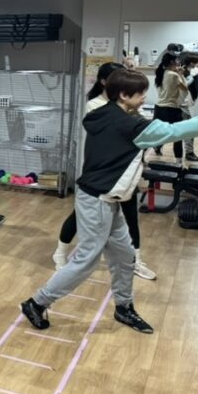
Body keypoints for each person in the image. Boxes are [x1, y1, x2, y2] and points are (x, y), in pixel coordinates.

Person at [21, 69, 198, 335]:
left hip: (109, 199)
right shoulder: (127, 125)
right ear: (124, 95)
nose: (145, 96)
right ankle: (37, 303)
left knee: (125, 256)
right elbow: (172, 131)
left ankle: (123, 307)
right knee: (86, 261)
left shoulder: (105, 113)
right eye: (141, 93)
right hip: (97, 200)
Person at [51, 62, 158, 281]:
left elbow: (138, 129)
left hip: (125, 172)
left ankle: (135, 260)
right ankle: (60, 253)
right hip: (101, 172)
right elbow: (121, 129)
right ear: (105, 83)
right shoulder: (96, 106)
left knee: (131, 217)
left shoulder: (129, 106)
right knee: (78, 216)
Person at [151, 51, 189, 161]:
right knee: (178, 136)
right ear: (172, 62)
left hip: (159, 108)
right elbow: (185, 87)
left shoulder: (160, 72)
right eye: (176, 61)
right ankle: (178, 161)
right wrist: (181, 74)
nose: (178, 63)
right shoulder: (174, 75)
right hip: (171, 109)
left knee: (158, 132)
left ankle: (155, 148)